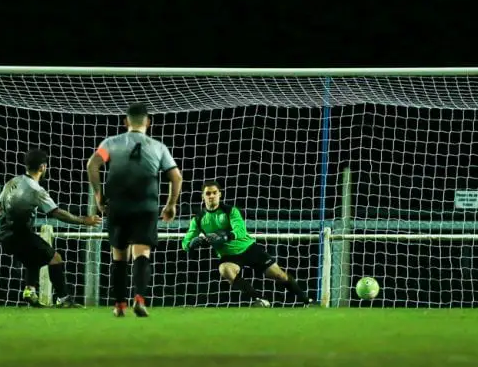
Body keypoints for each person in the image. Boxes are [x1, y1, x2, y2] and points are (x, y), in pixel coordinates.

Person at [87, 102, 183, 318]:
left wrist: (98, 195)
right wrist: (171, 204)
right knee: (142, 253)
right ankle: (139, 299)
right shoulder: (159, 147)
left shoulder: (110, 143)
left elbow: (92, 165)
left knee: (119, 256)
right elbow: (176, 176)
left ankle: (119, 305)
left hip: (118, 205)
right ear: (148, 122)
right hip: (146, 206)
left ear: (125, 122)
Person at [0, 148, 102, 307]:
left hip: (4, 234)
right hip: (20, 234)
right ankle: (64, 299)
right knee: (55, 258)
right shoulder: (36, 189)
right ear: (42, 167)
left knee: (34, 258)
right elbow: (57, 213)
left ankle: (30, 291)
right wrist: (84, 220)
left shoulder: (12, 181)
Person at [182, 180, 313, 307]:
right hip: (229, 256)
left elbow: (240, 230)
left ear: (220, 194)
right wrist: (190, 244)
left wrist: (227, 235)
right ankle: (260, 299)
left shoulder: (230, 211)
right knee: (225, 270)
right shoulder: (198, 219)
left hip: (249, 249)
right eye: (208, 193)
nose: (211, 196)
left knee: (280, 275)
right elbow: (186, 240)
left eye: (214, 193)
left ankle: (306, 300)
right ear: (203, 196)